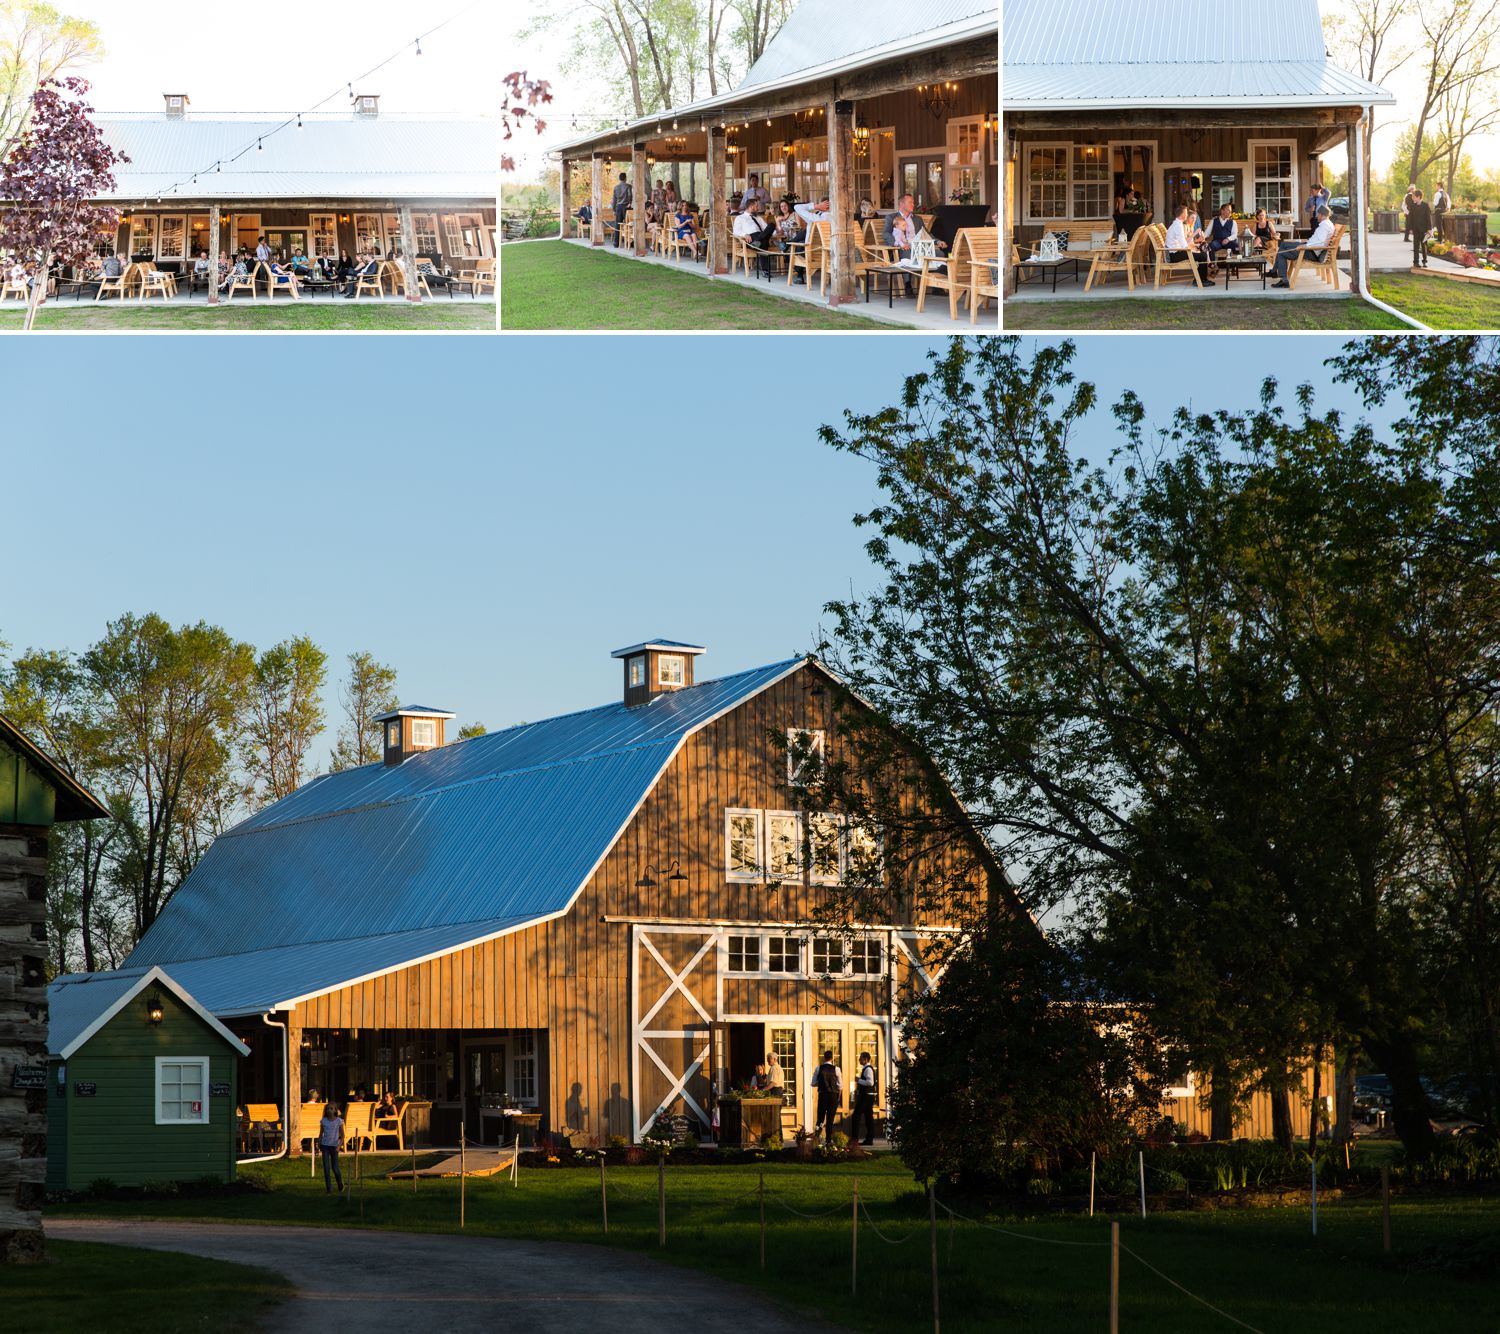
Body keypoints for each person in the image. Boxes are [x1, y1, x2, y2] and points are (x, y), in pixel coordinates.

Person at [1271, 205, 1334, 287]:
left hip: (1310, 252)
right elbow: (1316, 240)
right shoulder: (1327, 224)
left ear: (1322, 215)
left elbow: (1320, 243)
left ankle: (1280, 276)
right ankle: (1276, 273)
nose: (1317, 216)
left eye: (1318, 214)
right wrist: (1303, 242)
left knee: (1282, 252)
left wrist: (1304, 247)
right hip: (1309, 248)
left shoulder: (1324, 226)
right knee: (1283, 244)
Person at [1163, 205, 1207, 285]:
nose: (1187, 215)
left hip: (1176, 252)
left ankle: (1201, 280)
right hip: (1175, 255)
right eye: (1186, 213)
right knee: (1203, 256)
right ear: (1183, 214)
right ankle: (1201, 281)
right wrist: (1194, 251)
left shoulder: (1177, 224)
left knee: (1201, 254)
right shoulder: (1178, 225)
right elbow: (1184, 246)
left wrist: (1194, 248)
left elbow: (1183, 244)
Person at [733, 198, 776, 273]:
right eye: (756, 206)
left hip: (759, 237)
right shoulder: (740, 218)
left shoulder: (758, 218)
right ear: (751, 206)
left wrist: (776, 233)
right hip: (750, 239)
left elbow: (766, 228)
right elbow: (736, 231)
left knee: (772, 225)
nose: (758, 208)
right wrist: (745, 234)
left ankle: (758, 241)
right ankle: (765, 271)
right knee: (764, 242)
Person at [810, 1049, 842, 1143]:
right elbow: (840, 1085)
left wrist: (821, 1083)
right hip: (833, 1096)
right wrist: (838, 1097)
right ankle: (828, 1139)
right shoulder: (836, 1069)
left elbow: (813, 1083)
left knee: (820, 1118)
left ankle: (817, 1137)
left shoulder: (818, 1068)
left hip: (823, 1095)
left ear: (824, 1058)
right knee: (830, 1119)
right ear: (832, 1058)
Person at [318, 1103, 345, 1195]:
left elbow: (343, 1135)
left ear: (335, 1110)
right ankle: (329, 1188)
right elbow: (321, 1133)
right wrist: (319, 1143)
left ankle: (340, 1183)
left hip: (334, 1147)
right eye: (328, 1108)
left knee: (335, 1167)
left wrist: (339, 1146)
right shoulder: (323, 1121)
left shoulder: (339, 1121)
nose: (329, 1110)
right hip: (325, 1146)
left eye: (331, 1108)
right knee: (326, 1168)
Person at [851, 1052, 877, 1146]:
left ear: (865, 1059)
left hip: (866, 1097)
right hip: (867, 1097)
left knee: (855, 1116)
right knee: (868, 1118)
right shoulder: (866, 1069)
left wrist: (859, 1080)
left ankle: (854, 1139)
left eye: (861, 1058)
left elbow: (870, 1082)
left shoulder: (868, 1069)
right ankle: (869, 1140)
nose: (859, 1060)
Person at [1205, 202, 1240, 271]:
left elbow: (1235, 234)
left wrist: (1228, 239)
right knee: (1211, 245)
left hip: (1228, 242)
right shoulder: (1214, 221)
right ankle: (1213, 267)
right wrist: (1201, 238)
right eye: (1228, 210)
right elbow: (1207, 233)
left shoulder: (1233, 222)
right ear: (1222, 211)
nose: (1230, 212)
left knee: (1237, 247)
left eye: (1231, 210)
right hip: (1217, 241)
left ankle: (1233, 266)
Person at [1406, 188, 1433, 269]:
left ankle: (1425, 261)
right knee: (1416, 246)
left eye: (1414, 196)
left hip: (1424, 230)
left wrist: (1429, 229)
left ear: (1419, 197)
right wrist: (1410, 228)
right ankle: (1416, 262)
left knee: (1424, 246)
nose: (1412, 198)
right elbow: (1410, 218)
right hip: (1416, 230)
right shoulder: (1412, 206)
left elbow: (1428, 218)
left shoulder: (1425, 206)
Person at [610, 171, 632, 247]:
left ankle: (616, 243)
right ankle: (630, 243)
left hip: (618, 207)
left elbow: (614, 200)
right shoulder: (628, 186)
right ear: (625, 178)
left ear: (619, 178)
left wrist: (614, 210)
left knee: (617, 224)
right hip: (626, 207)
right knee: (629, 224)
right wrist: (630, 202)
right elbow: (629, 195)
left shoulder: (616, 187)